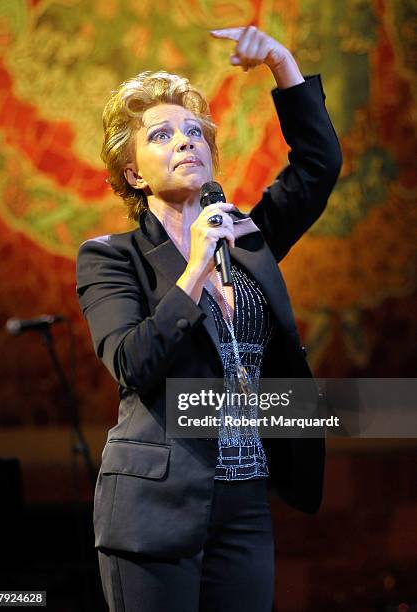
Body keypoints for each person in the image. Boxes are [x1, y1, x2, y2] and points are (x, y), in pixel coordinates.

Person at [76, 25, 342, 612]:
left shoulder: (247, 238)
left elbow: (318, 167)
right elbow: (131, 361)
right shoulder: (110, 258)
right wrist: (194, 269)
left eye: (195, 132)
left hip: (245, 497)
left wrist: (280, 61)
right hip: (155, 504)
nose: (185, 142)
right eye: (163, 134)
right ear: (134, 175)